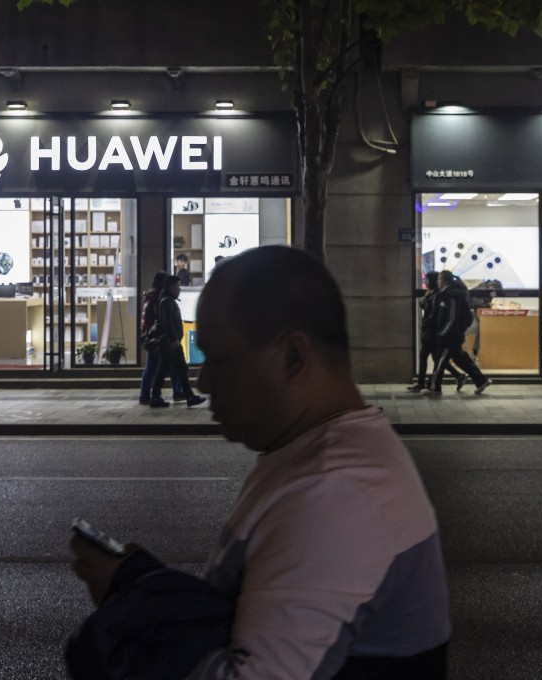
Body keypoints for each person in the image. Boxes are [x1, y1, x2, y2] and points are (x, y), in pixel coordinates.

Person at [70, 245, 451, 679]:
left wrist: (128, 625)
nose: (204, 381)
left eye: (220, 359)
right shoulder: (311, 453)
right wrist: (143, 584)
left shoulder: (335, 493)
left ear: (292, 357)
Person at [427, 270, 491, 396]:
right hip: (453, 333)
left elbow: (452, 317)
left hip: (449, 335)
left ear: (444, 281)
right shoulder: (452, 294)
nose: (437, 282)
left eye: (439, 279)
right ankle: (481, 380)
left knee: (440, 360)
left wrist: (443, 332)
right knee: (460, 358)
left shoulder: (451, 296)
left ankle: (434, 387)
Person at [148, 275, 206, 409]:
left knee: (177, 369)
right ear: (171, 287)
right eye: (177, 286)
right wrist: (174, 339)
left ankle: (185, 396)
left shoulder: (167, 300)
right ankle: (184, 396)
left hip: (170, 343)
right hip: (170, 343)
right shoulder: (167, 302)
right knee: (175, 369)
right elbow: (167, 323)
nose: (179, 289)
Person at [408, 270, 465, 393]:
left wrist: (424, 305)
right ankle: (458, 376)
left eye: (428, 280)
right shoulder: (433, 294)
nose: (426, 282)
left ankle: (422, 383)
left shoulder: (436, 295)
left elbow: (433, 314)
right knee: (436, 359)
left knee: (425, 357)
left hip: (432, 333)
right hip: (433, 332)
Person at [137, 272, 185, 405]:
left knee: (153, 368)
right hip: (159, 338)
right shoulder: (160, 298)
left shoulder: (151, 296)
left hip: (153, 337)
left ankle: (145, 395)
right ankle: (175, 392)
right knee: (171, 366)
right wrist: (171, 336)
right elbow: (164, 320)